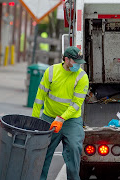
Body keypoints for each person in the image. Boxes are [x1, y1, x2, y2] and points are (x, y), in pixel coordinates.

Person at [31, 46, 89, 180]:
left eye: (80, 62)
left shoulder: (82, 77)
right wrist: (34, 120)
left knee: (74, 148)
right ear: (66, 59)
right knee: (43, 152)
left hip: (71, 121)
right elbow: (40, 97)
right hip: (49, 118)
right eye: (76, 62)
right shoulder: (51, 71)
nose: (79, 66)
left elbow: (76, 104)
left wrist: (62, 119)